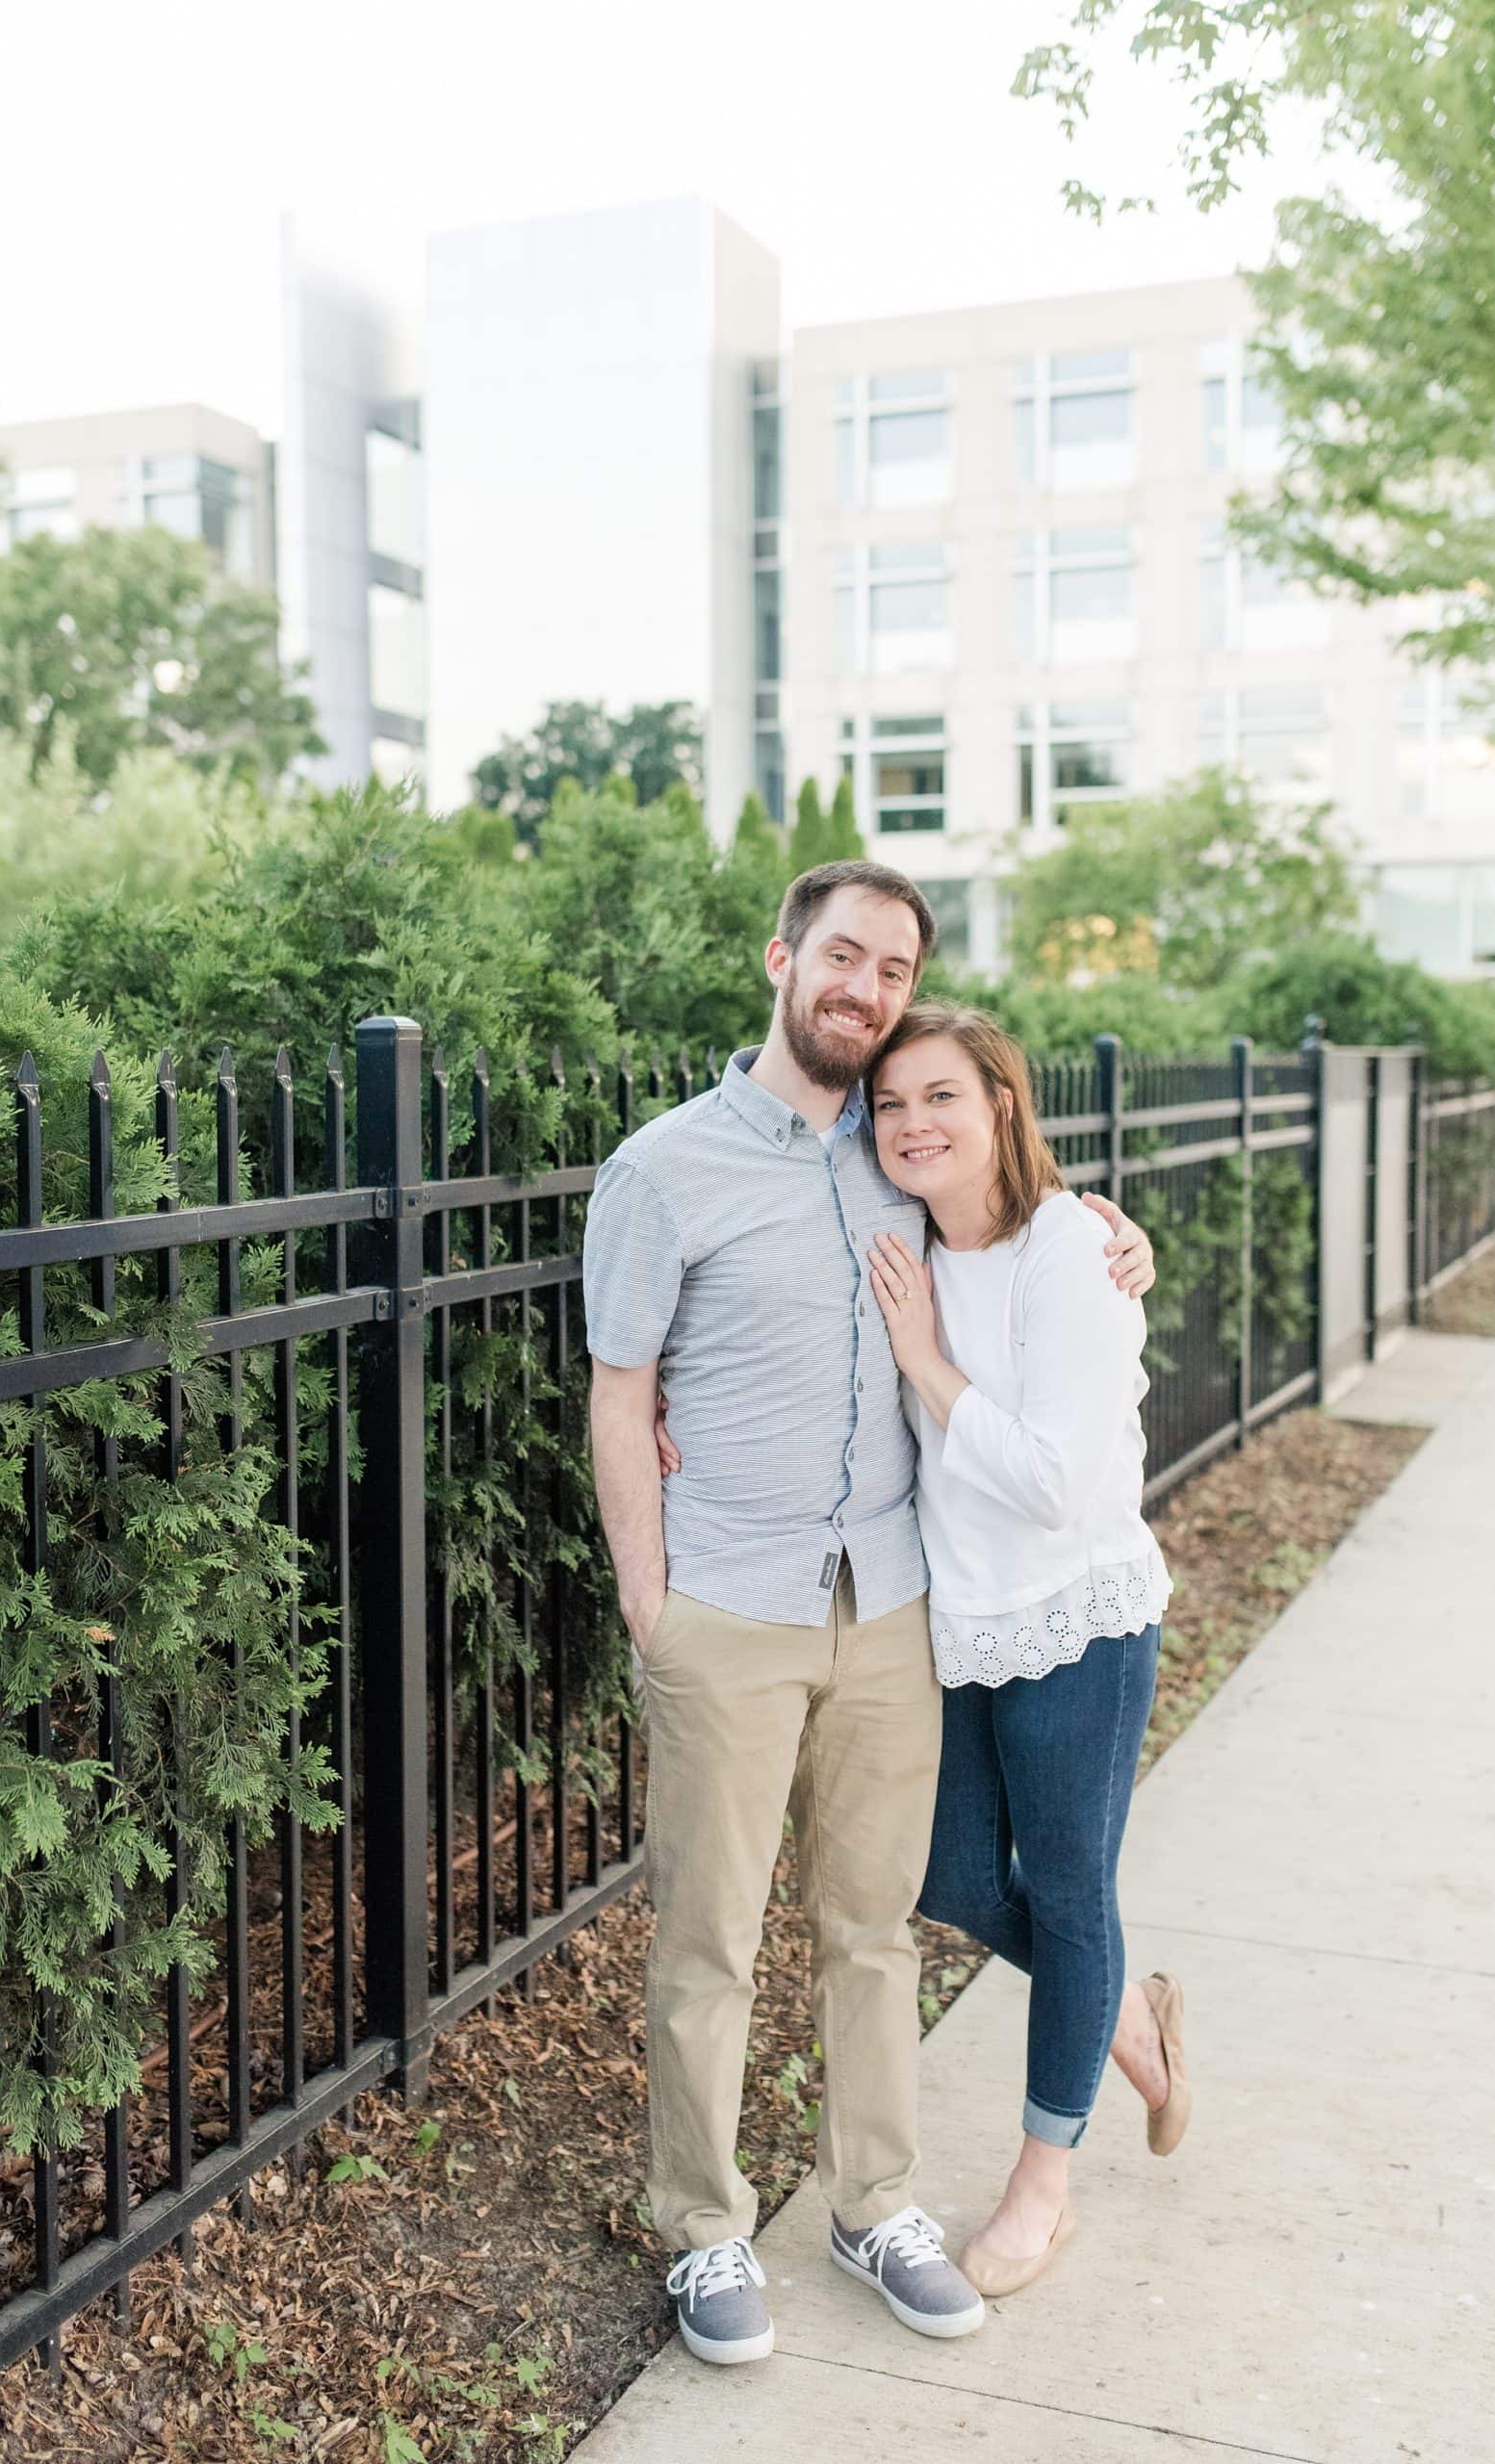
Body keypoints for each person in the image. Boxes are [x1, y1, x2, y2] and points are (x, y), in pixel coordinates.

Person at [581, 862, 1156, 2366]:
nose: (866, 986)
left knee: (876, 1930)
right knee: (708, 1938)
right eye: (844, 954)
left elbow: (1015, 1214)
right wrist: (651, 1605)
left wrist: (1115, 1231)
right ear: (781, 957)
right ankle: (705, 2229)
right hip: (730, 1604)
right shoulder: (663, 1169)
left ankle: (872, 2201)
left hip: (891, 1601)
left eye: (893, 967)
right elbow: (622, 1387)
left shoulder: (897, 1154)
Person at [863, 1000, 1191, 2302]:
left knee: (1065, 1890)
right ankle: (1120, 2013)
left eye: (941, 1095)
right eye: (891, 1105)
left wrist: (927, 1365)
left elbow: (1055, 1484)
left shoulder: (1073, 1248)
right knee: (948, 1874)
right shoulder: (898, 1240)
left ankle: (1041, 2187)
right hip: (959, 1626)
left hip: (1076, 1615)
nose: (912, 1125)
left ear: (1002, 1100)